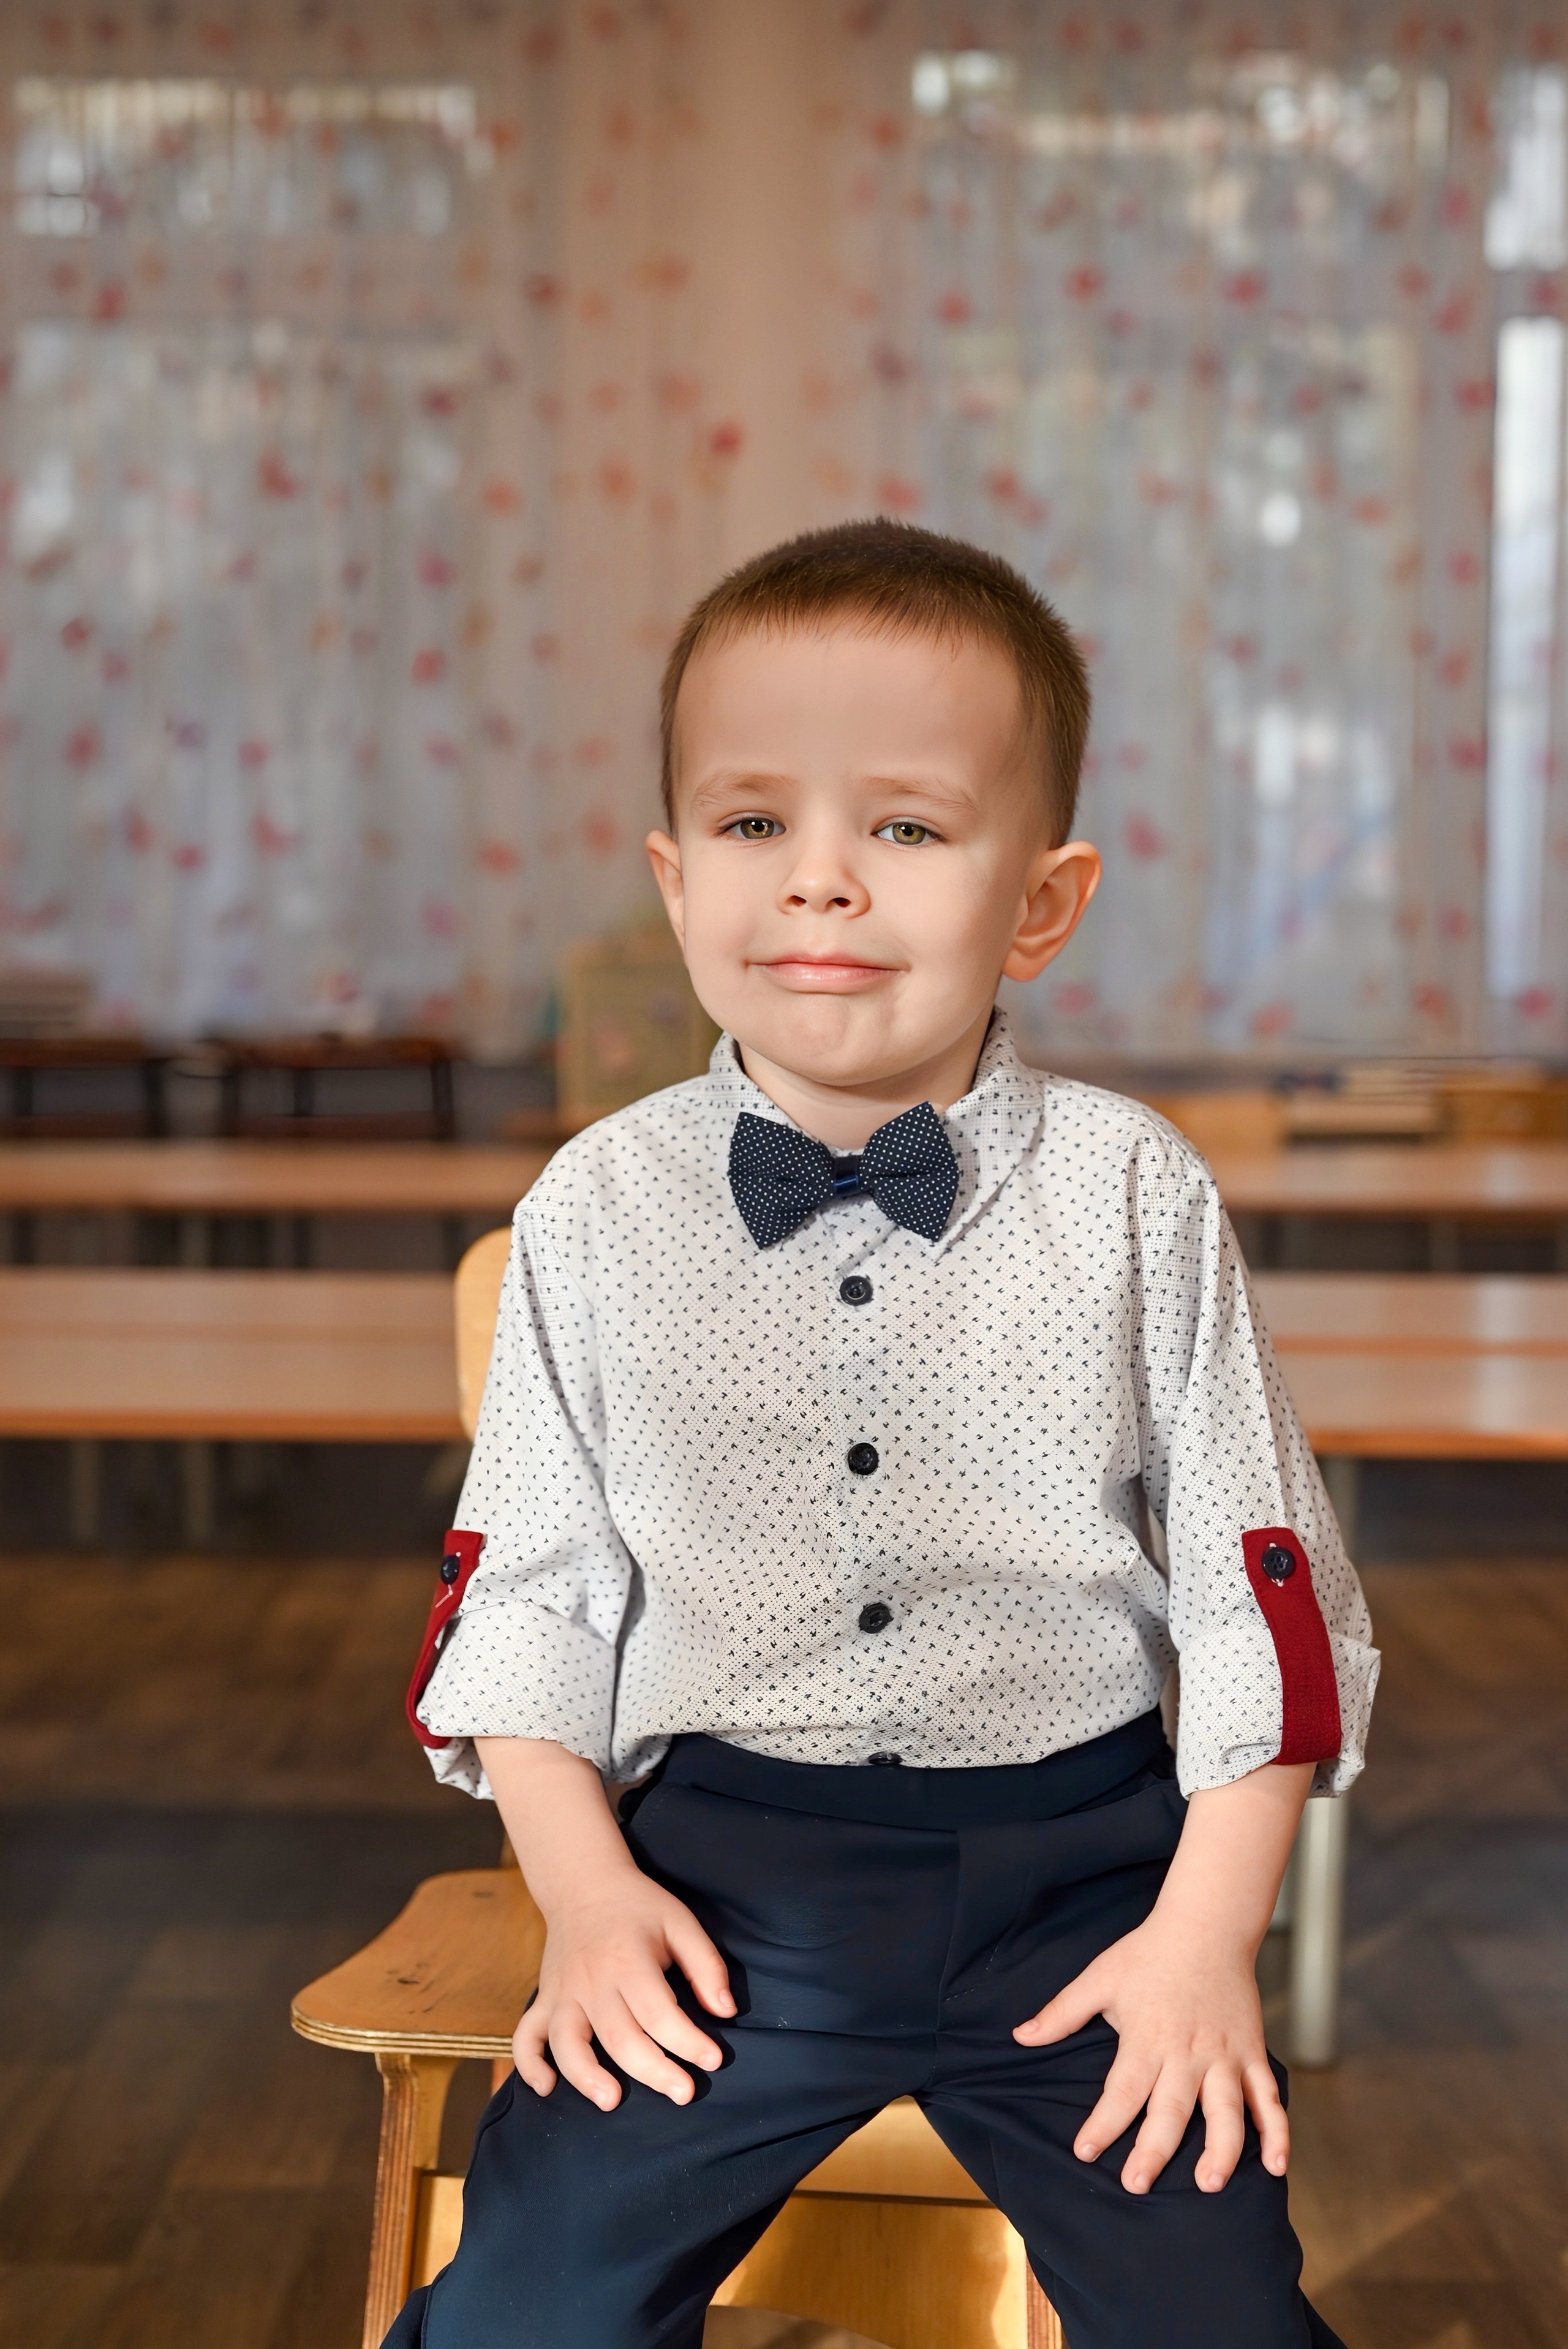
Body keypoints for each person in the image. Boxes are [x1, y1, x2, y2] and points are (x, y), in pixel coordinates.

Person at [390, 518, 1378, 2349]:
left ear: (1041, 900)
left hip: (1092, 1876)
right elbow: (530, 1590)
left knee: (1222, 2320)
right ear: (679, 880)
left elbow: (1268, 1604)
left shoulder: (1137, 1193)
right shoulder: (595, 1209)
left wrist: (1203, 1940)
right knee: (527, 2312)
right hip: (714, 1888)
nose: (822, 884)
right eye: (758, 825)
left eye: (905, 828)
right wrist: (589, 1894)